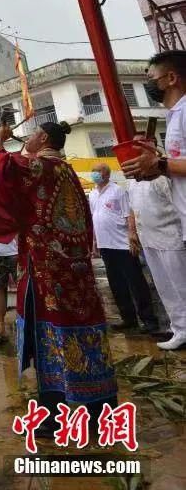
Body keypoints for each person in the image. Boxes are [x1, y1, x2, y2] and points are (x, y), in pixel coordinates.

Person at [0, 122, 117, 437]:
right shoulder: (68, 173)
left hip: (47, 272)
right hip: (77, 272)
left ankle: (55, 415)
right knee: (85, 331)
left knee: (50, 337)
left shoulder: (40, 167)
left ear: (43, 139)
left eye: (34, 132)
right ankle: (99, 409)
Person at [122, 50, 186, 243]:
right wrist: (157, 170)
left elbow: (167, 164)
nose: (148, 83)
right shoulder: (174, 115)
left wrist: (161, 164)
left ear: (171, 78)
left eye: (151, 78)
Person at [89, 164, 158, 335]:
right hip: (106, 245)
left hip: (122, 244)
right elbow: (94, 218)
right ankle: (128, 318)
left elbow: (129, 214)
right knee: (116, 284)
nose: (95, 175)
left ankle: (148, 319)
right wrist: (94, 242)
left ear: (107, 174)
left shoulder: (118, 191)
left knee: (136, 282)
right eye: (94, 172)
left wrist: (132, 235)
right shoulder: (92, 194)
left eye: (98, 172)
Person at [128, 167, 186, 351]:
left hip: (170, 237)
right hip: (148, 239)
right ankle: (180, 330)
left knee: (181, 287)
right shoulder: (133, 180)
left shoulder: (161, 177)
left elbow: (179, 205)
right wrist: (132, 231)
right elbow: (132, 207)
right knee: (165, 288)